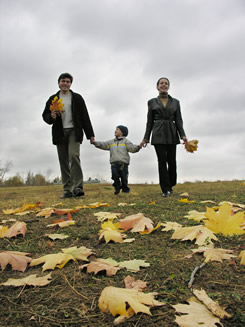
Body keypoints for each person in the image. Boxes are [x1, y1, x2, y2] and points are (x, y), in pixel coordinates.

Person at [42, 73, 95, 198]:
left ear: (71, 84)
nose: (65, 83)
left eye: (67, 81)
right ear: (59, 83)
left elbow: (84, 116)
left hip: (74, 132)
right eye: (63, 81)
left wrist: (90, 134)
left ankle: (77, 188)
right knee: (64, 160)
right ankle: (67, 190)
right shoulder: (52, 98)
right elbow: (45, 116)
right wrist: (52, 117)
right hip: (60, 133)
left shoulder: (77, 98)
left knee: (74, 156)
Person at [140, 77, 187, 197]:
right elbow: (149, 122)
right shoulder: (151, 102)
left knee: (172, 161)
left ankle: (171, 185)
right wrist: (146, 138)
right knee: (162, 162)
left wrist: (183, 135)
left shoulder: (176, 102)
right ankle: (165, 189)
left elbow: (178, 120)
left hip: (172, 133)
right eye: (161, 83)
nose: (164, 85)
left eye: (166, 83)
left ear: (168, 87)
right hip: (158, 133)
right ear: (157, 86)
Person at [91, 125, 141, 194]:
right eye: (115, 129)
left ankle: (125, 190)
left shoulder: (126, 141)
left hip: (123, 164)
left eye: (117, 129)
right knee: (114, 176)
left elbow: (132, 148)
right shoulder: (111, 142)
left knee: (124, 178)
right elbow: (103, 144)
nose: (115, 130)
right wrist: (94, 142)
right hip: (114, 163)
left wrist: (138, 146)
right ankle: (117, 187)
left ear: (122, 132)